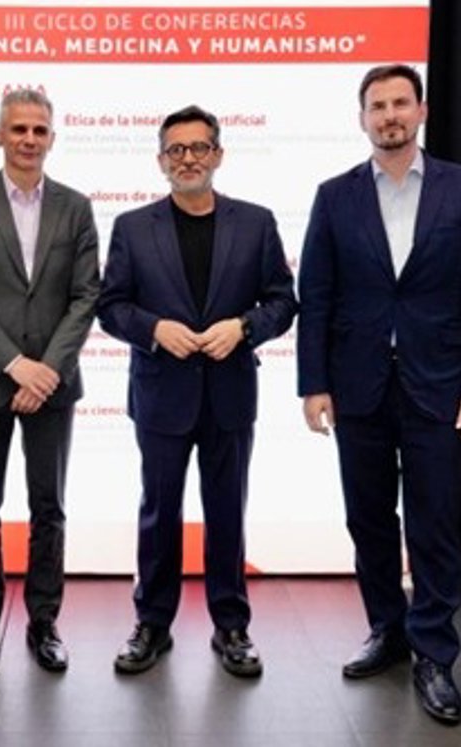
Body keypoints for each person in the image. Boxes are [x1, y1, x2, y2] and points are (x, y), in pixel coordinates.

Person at [296, 64, 461, 725]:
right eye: (377, 106)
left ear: (421, 111)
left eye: (399, 103)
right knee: (368, 519)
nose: (389, 115)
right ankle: (387, 629)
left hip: (438, 387)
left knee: (433, 522)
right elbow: (317, 296)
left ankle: (434, 653)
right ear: (362, 118)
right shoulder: (334, 196)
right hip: (357, 386)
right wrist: (314, 383)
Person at [97, 105, 296, 678]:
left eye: (199, 147)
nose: (188, 158)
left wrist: (245, 327)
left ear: (218, 154)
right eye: (176, 150)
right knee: (158, 511)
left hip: (230, 394)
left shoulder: (255, 223)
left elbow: (283, 301)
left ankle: (231, 625)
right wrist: (154, 330)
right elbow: (111, 307)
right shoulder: (133, 227)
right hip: (161, 393)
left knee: (227, 511)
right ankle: (152, 624)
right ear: (161, 161)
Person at [0, 89, 100, 676]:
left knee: (48, 507)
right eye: (19, 129)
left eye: (38, 130)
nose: (29, 139)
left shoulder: (76, 207)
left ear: (51, 138)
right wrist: (15, 365)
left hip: (53, 383)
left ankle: (44, 621)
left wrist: (47, 369)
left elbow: (86, 295)